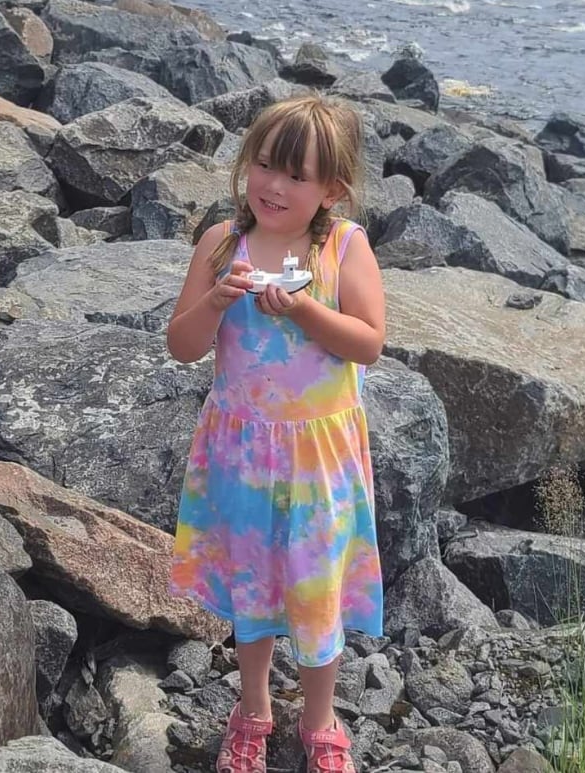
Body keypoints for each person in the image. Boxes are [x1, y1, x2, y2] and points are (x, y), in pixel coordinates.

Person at [167, 93, 385, 773]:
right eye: (264, 165)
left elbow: (369, 341)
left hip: (318, 457)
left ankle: (320, 719)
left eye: (295, 175)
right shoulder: (221, 244)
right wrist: (216, 297)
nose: (273, 185)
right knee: (251, 586)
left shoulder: (343, 246)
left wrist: (304, 312)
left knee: (316, 589)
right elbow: (182, 343)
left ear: (332, 190)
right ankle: (253, 708)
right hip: (242, 455)